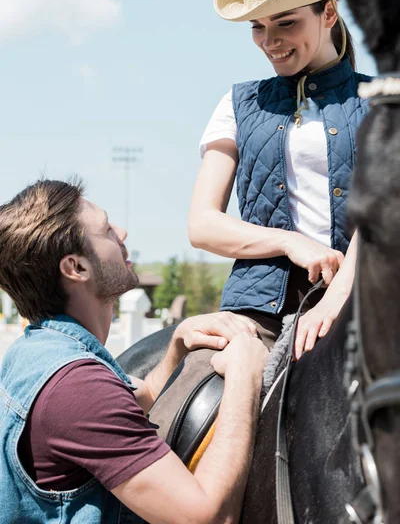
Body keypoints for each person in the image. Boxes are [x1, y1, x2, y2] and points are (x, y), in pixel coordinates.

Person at [0, 179, 267, 524]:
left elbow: (137, 398)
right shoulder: (77, 389)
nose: (122, 233)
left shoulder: (37, 352)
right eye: (106, 229)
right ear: (76, 268)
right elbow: (207, 517)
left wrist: (176, 348)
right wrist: (246, 375)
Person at [189, 0, 372, 360]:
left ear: (328, 13)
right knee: (199, 399)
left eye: (286, 24)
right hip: (257, 310)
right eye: (257, 26)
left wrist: (334, 298)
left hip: (368, 299)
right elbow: (202, 225)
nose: (269, 42)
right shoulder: (237, 104)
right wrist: (290, 242)